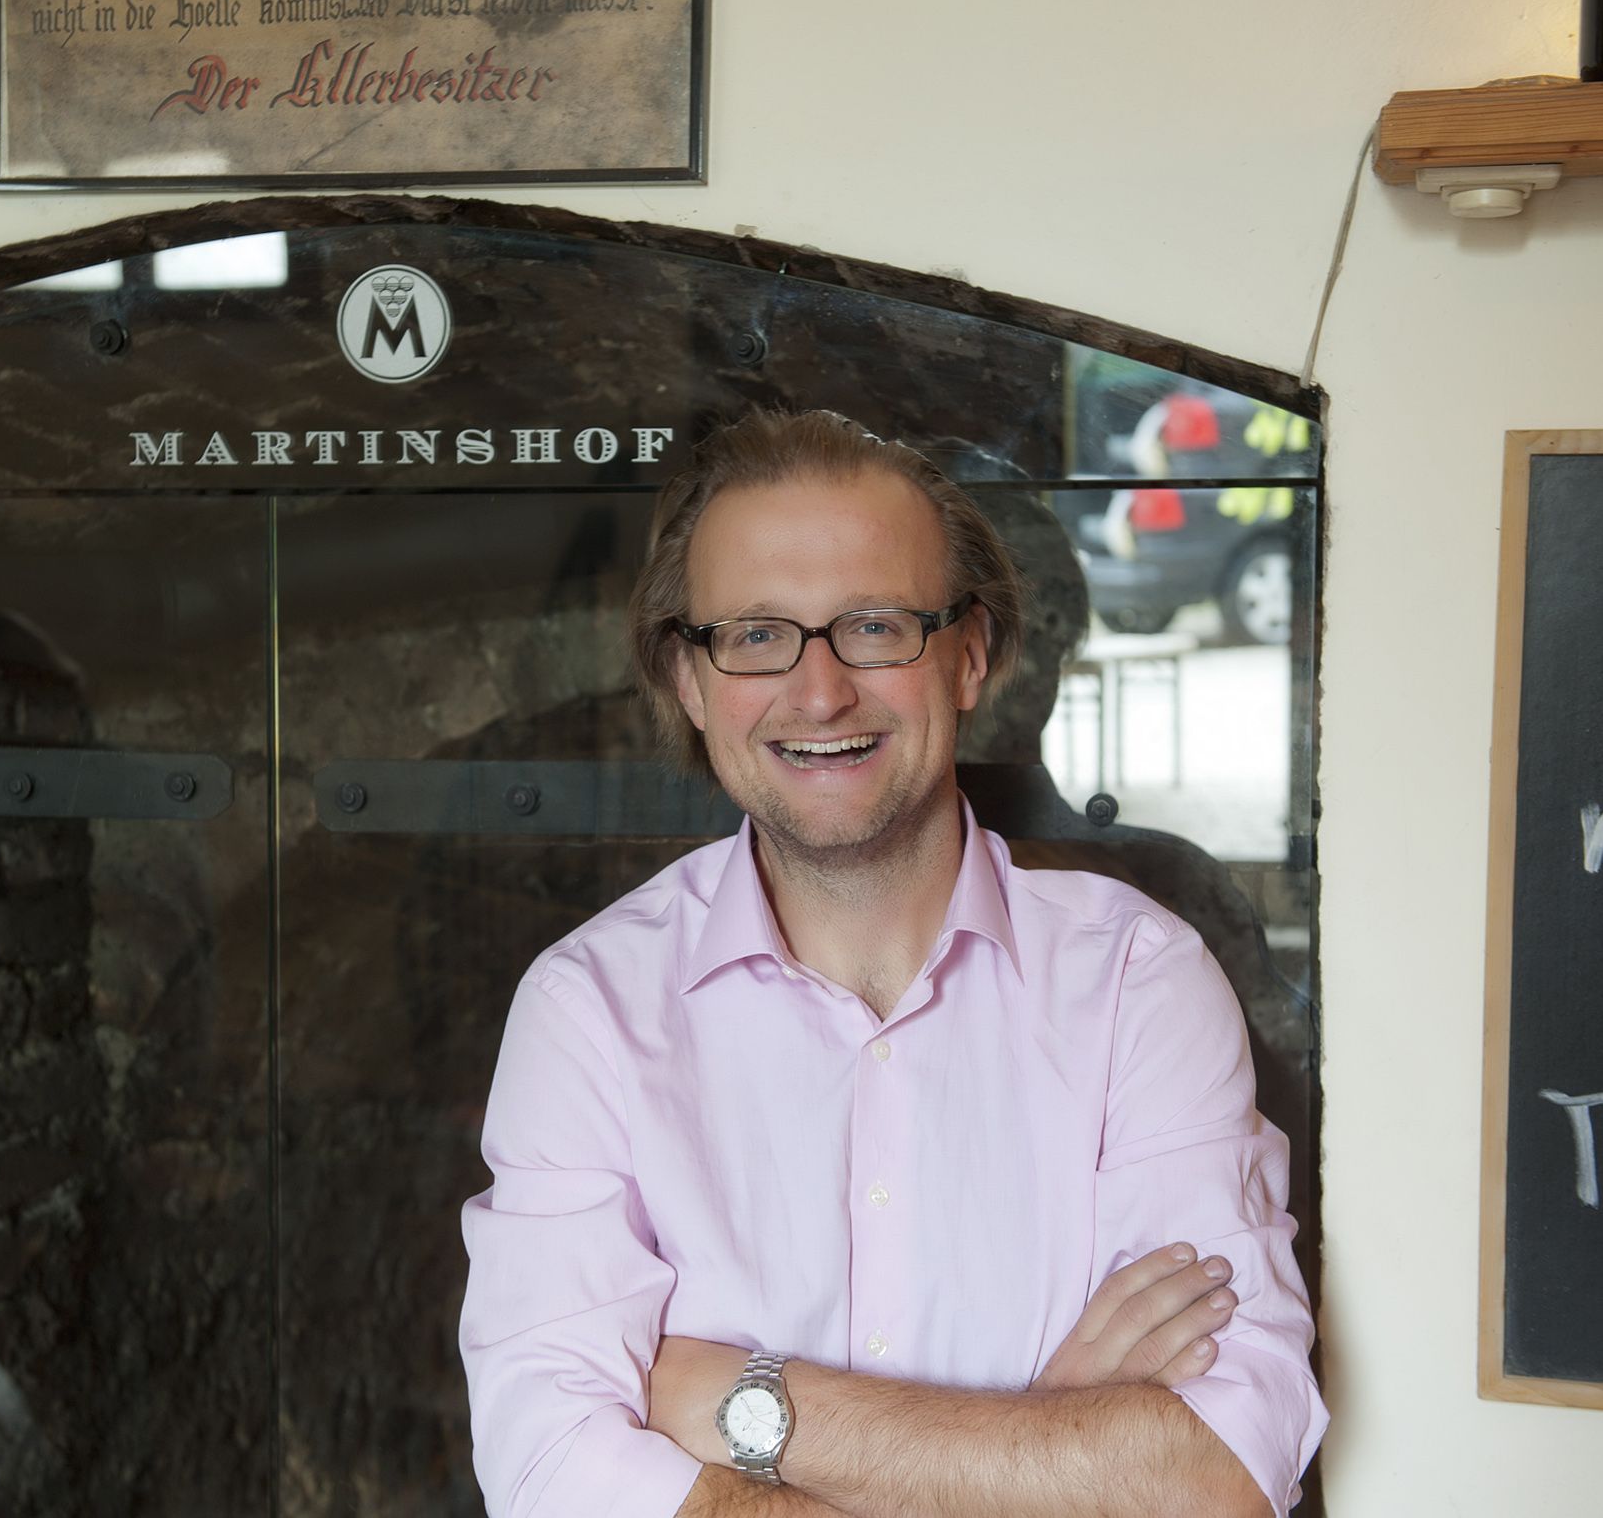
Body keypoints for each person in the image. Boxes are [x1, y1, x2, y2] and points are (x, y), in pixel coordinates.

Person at [458, 409, 1326, 1517]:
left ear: (970, 653)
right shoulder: (585, 1010)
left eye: (873, 626)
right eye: (757, 634)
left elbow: (1217, 1473)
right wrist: (1046, 1434)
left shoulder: (1136, 982)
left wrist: (736, 1400)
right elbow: (546, 1468)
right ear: (688, 679)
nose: (817, 693)